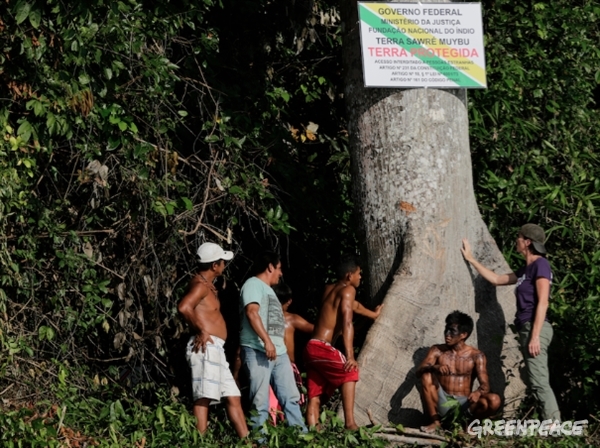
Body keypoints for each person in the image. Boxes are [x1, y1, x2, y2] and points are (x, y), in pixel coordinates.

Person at [461, 223, 561, 422]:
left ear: (527, 242)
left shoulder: (541, 264)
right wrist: (471, 259)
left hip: (535, 328)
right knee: (534, 379)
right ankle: (548, 423)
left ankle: (554, 426)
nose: (516, 239)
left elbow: (543, 302)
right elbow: (497, 279)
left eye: (519, 236)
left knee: (539, 381)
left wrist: (534, 336)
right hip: (527, 328)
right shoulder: (527, 269)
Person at [177, 242, 249, 438]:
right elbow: (184, 307)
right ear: (214, 265)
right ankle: (200, 441)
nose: (224, 265)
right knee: (203, 396)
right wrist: (201, 330)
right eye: (223, 261)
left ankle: (248, 442)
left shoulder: (207, 285)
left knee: (233, 395)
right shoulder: (200, 285)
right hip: (205, 347)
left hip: (216, 348)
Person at [239, 251, 307, 431]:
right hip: (258, 350)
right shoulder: (253, 284)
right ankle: (260, 441)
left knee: (291, 398)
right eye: (279, 268)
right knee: (260, 400)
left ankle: (300, 437)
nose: (281, 273)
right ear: (270, 267)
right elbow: (252, 312)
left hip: (279, 353)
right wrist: (267, 341)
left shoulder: (270, 291)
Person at [304, 256, 365, 430]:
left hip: (310, 348)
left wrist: (373, 315)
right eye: (358, 274)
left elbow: (355, 306)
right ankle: (350, 423)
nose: (360, 277)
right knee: (350, 372)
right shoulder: (348, 290)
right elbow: (347, 323)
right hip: (322, 346)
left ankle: (313, 434)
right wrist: (350, 356)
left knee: (314, 396)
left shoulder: (329, 289)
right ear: (349, 276)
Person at [416, 311, 501, 433]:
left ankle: (469, 425)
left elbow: (485, 385)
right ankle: (435, 423)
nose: (447, 334)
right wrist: (434, 367)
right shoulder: (437, 350)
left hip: (465, 405)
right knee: (426, 375)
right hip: (442, 402)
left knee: (494, 400)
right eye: (446, 330)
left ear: (463, 335)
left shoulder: (476, 355)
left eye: (452, 331)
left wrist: (478, 392)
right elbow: (418, 372)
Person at [265, 282, 315, 423]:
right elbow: (317, 330)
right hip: (287, 366)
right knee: (290, 401)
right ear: (289, 301)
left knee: (270, 402)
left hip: (267, 364)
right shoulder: (292, 319)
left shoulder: (262, 319)